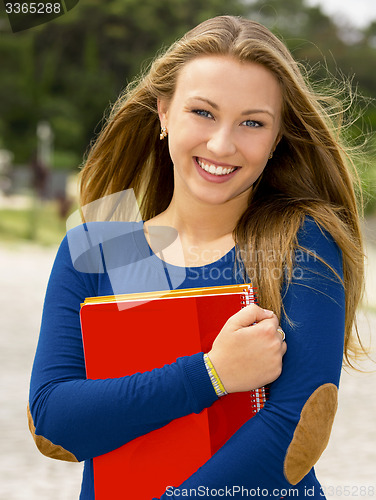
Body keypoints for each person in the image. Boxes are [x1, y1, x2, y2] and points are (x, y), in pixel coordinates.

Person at [28, 15, 365, 499]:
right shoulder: (105, 244)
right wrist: (211, 374)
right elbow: (57, 426)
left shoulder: (302, 241)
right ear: (164, 112)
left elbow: (294, 435)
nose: (222, 144)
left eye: (252, 122)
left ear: (277, 139)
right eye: (203, 112)